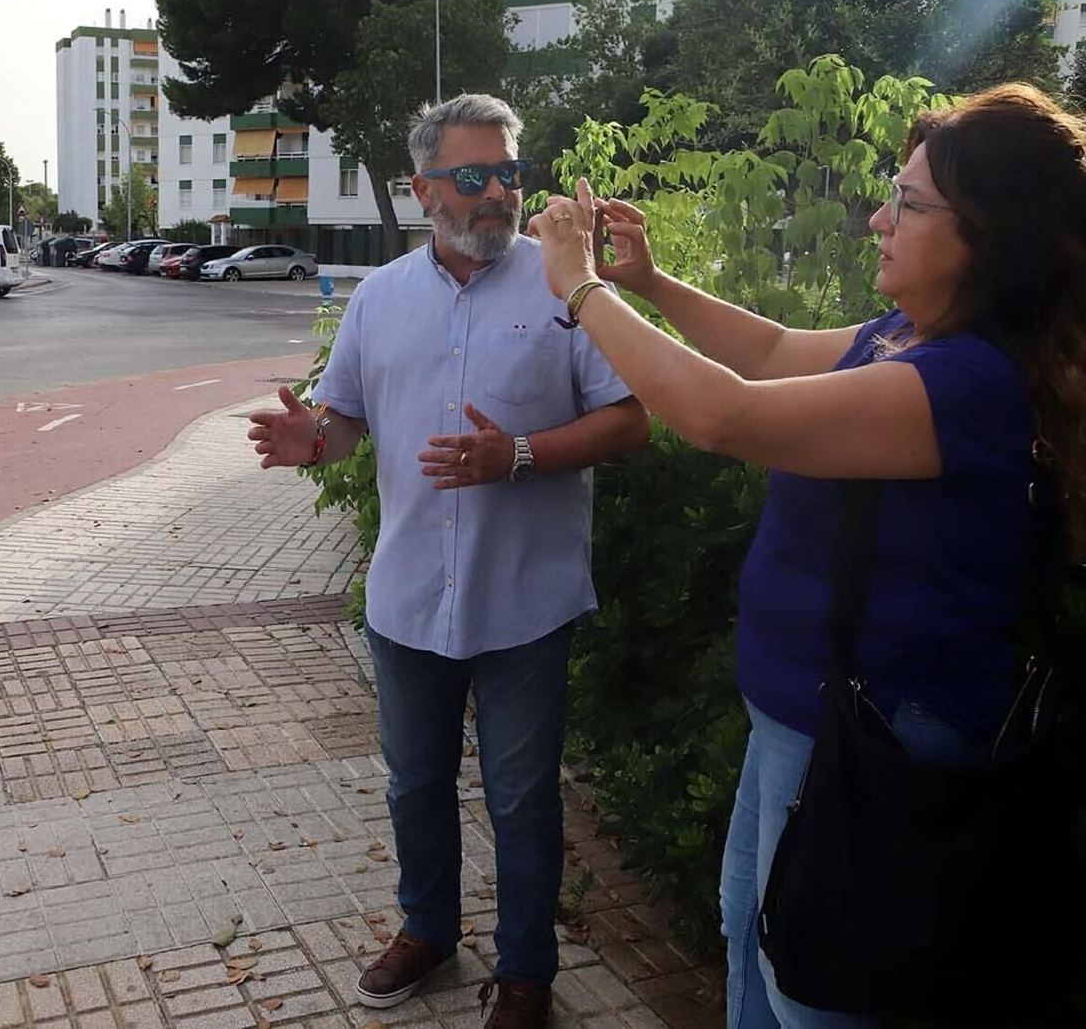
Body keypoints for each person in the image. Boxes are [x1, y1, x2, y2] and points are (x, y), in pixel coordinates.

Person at [525, 83, 1086, 1027]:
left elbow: (721, 414)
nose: (879, 216)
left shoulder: (968, 383)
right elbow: (775, 349)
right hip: (805, 722)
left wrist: (578, 287)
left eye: (908, 203)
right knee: (754, 946)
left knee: (816, 991)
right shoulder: (906, 340)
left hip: (875, 742)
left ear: (993, 236)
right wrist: (648, 282)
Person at [247, 94, 650, 1028]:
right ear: (425, 188)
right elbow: (346, 427)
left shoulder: (567, 288)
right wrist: (315, 438)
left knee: (521, 799)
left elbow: (632, 419)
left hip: (527, 606)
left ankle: (524, 973)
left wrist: (518, 455)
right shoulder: (379, 298)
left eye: (510, 172)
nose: (499, 194)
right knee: (415, 785)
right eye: (474, 177)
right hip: (409, 603)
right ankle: (427, 928)